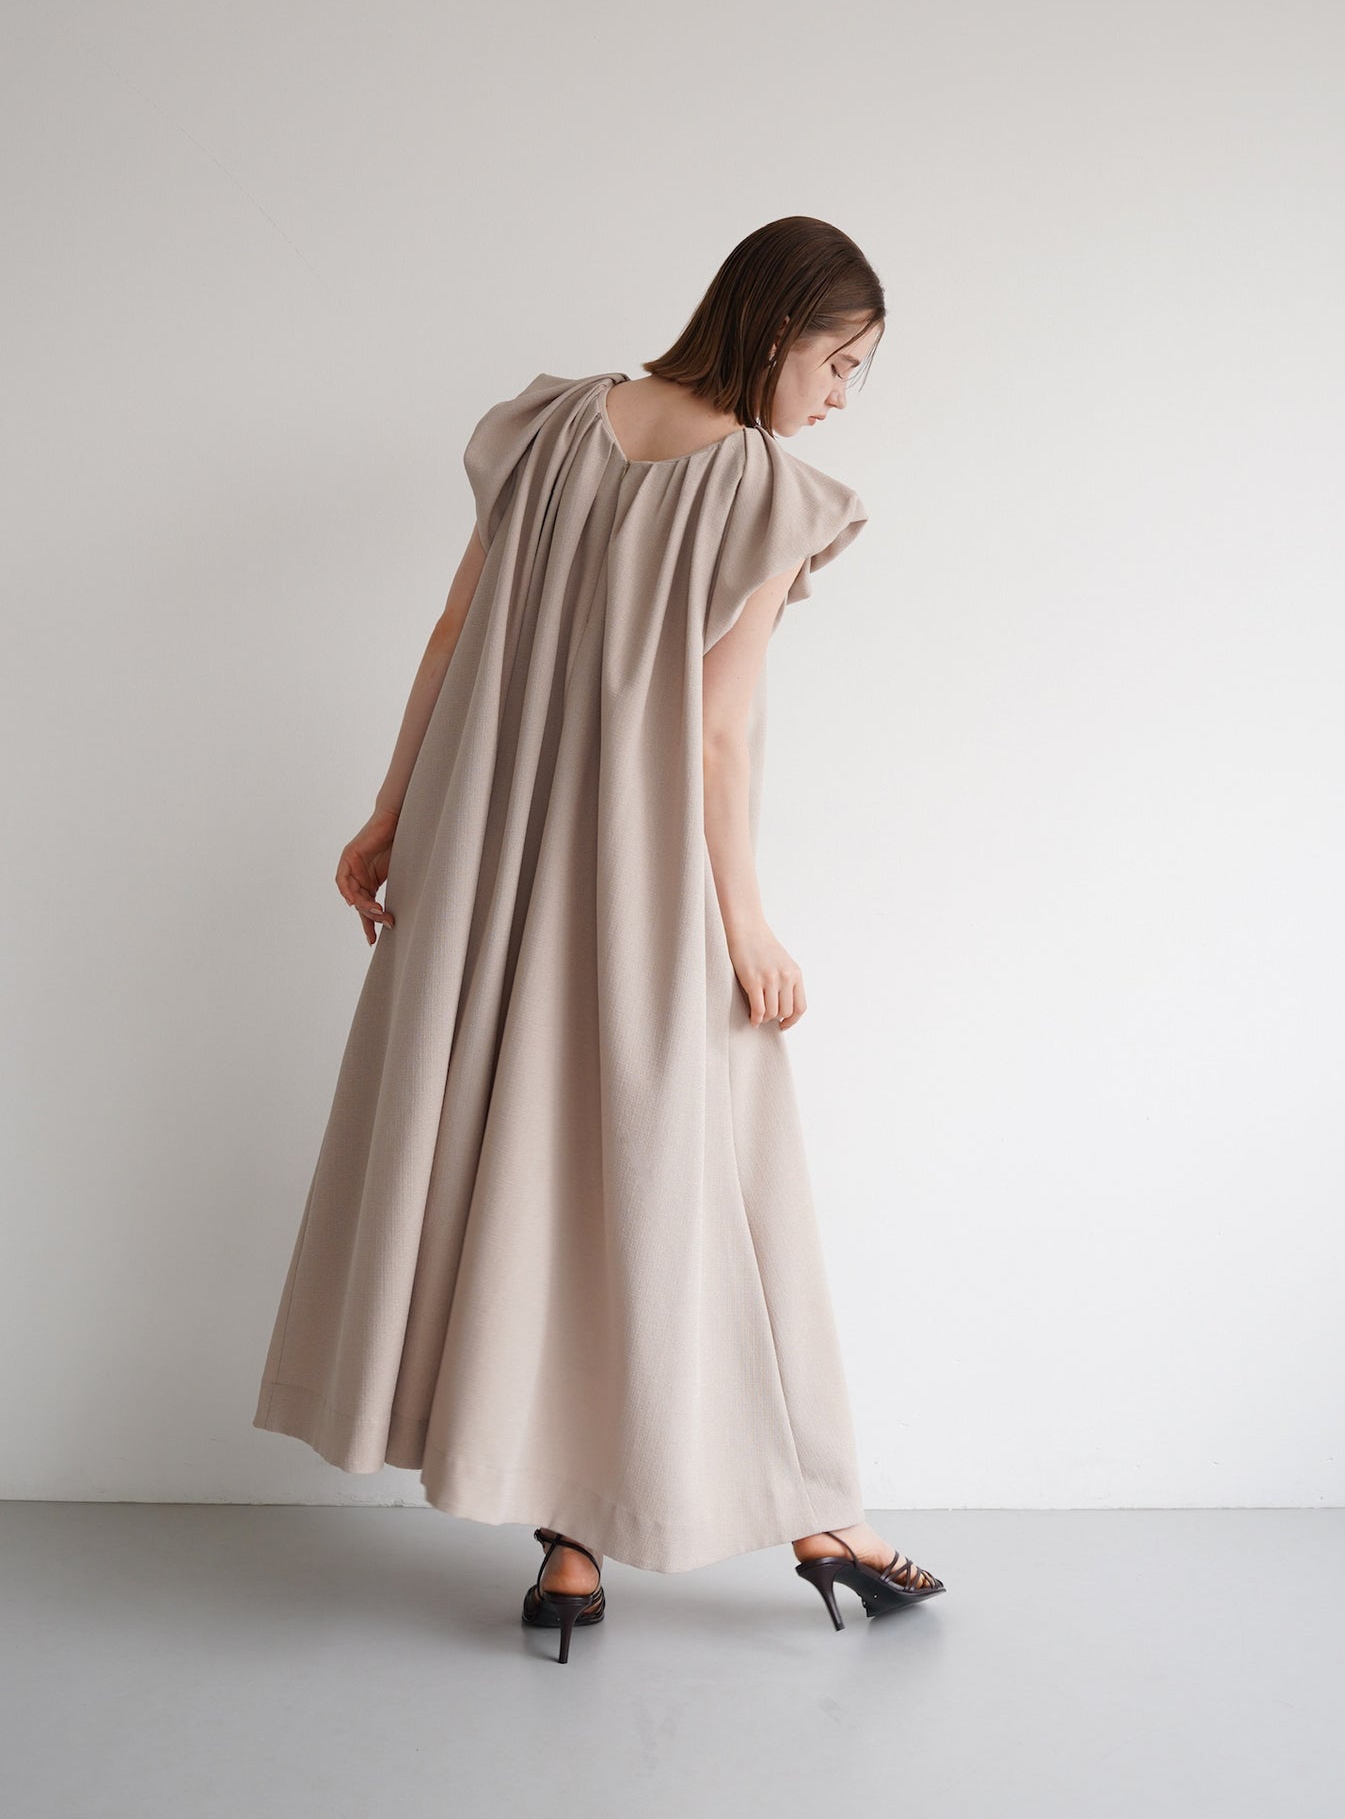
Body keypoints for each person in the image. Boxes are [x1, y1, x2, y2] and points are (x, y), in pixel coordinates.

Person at [252, 215, 944, 1661]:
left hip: (487, 869)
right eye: (843, 363)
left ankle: (573, 1546)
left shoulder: (555, 427)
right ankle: (817, 1519)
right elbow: (714, 737)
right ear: (781, 332)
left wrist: (391, 812)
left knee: (537, 1177)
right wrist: (746, 923)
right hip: (641, 888)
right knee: (695, 1189)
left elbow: (451, 634)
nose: (840, 397)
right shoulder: (763, 490)